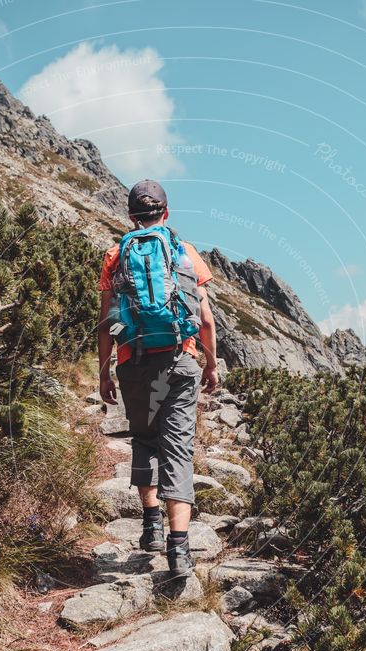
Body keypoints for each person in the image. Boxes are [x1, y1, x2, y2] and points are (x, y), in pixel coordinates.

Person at [98, 179, 218, 577]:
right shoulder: (183, 252)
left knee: (145, 438)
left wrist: (105, 374)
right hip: (180, 361)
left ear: (130, 216)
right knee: (178, 448)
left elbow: (106, 323)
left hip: (134, 362)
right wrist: (212, 364)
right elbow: (204, 319)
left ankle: (151, 527)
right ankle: (179, 550)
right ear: (166, 213)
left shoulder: (116, 255)